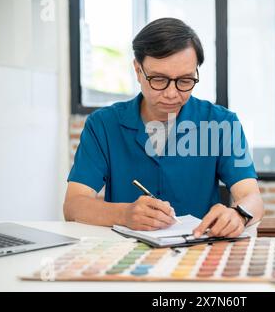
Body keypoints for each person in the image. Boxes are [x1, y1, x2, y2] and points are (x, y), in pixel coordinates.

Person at [64, 18, 264, 238]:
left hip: (198, 250)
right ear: (138, 70)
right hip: (123, 251)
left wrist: (238, 214)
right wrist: (124, 213)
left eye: (185, 80)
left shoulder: (222, 123)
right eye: (159, 79)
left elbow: (252, 197)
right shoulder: (103, 124)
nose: (171, 93)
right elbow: (73, 205)